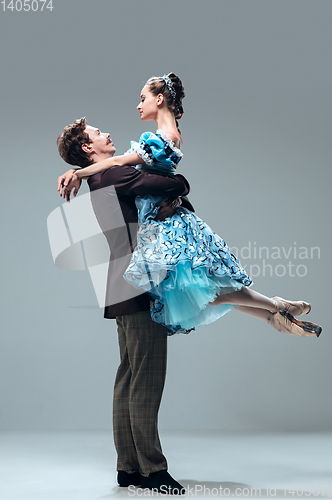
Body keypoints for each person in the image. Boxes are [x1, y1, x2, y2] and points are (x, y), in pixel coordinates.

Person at [59, 73, 322, 339]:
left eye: (143, 99)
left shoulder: (159, 139)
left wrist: (78, 172)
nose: (138, 105)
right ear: (87, 146)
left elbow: (136, 170)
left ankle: (275, 308)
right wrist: (80, 171)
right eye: (98, 133)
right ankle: (274, 313)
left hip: (165, 224)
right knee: (203, 290)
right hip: (157, 222)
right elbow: (150, 177)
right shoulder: (146, 147)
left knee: (205, 288)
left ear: (160, 99)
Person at [56, 118, 191, 494]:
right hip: (139, 285)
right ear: (88, 148)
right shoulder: (115, 175)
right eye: (98, 133)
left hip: (119, 285)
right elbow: (175, 182)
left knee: (129, 375)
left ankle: (128, 468)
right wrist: (176, 191)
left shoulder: (100, 178)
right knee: (145, 378)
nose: (107, 134)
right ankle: (153, 470)